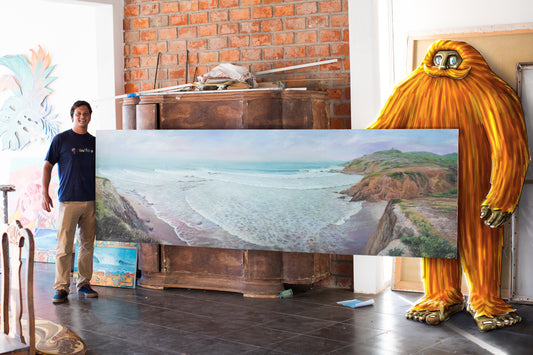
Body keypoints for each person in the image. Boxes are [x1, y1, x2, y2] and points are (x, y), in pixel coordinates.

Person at [42, 100, 98, 304]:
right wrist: (44, 192)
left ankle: (84, 284)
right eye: (78, 113)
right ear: (72, 116)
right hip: (68, 200)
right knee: (64, 246)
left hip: (90, 201)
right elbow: (47, 165)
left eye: (85, 113)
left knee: (86, 245)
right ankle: (61, 287)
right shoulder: (61, 140)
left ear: (90, 116)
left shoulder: (94, 142)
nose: (82, 117)